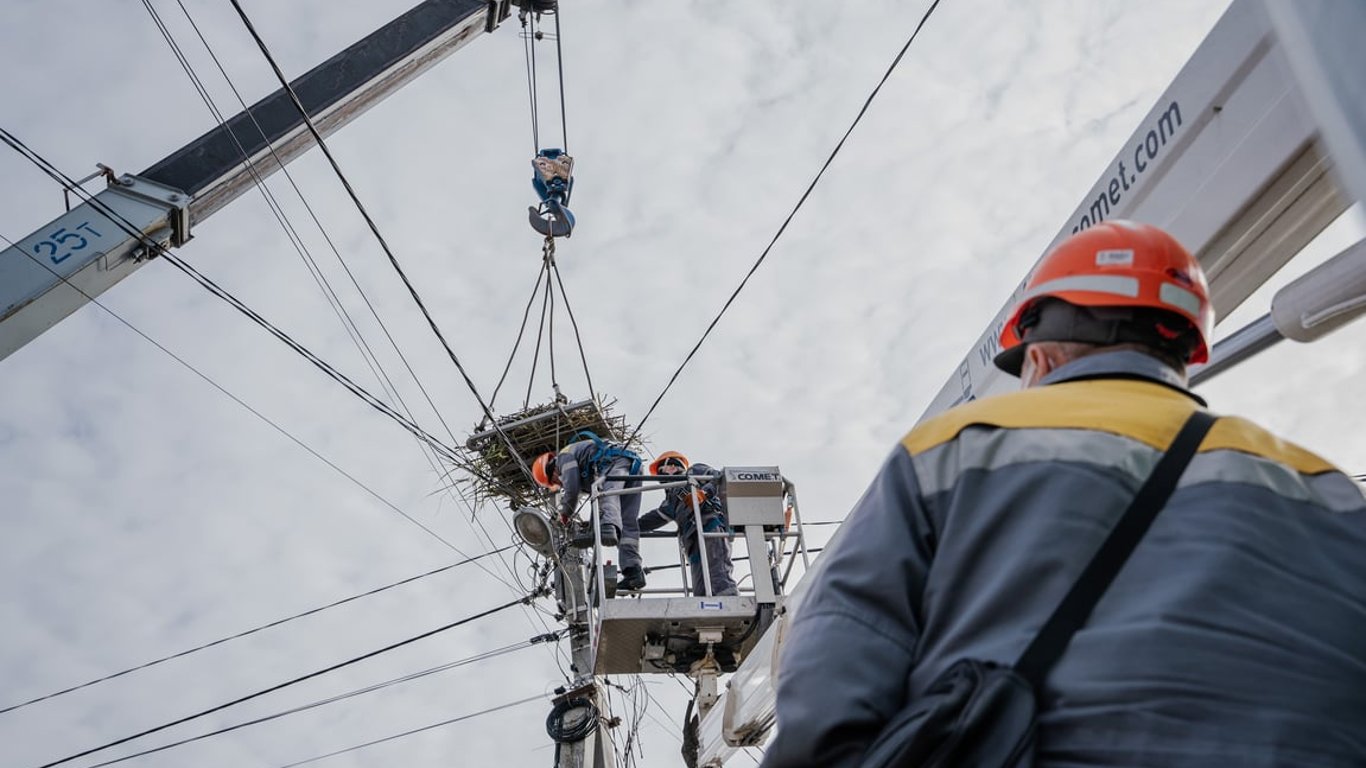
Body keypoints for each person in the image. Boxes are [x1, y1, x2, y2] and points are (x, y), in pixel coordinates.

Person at [763, 221, 1366, 767]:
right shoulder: (1326, 488)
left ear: (1042, 356)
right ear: (1181, 354)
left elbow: (833, 686)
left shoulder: (951, 450)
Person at [532, 432, 647, 590]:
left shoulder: (564, 458)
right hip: (634, 466)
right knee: (627, 522)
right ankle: (633, 572)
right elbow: (596, 504)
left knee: (607, 495)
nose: (559, 484)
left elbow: (572, 490)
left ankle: (607, 528)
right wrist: (591, 531)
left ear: (551, 470)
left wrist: (565, 513)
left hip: (614, 461)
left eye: (554, 481)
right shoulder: (584, 465)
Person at [638, 451, 738, 597]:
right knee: (701, 589)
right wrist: (624, 527)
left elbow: (719, 477)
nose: (660, 476)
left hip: (710, 527)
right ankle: (706, 615)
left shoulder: (695, 471)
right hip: (692, 542)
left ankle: (730, 602)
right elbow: (648, 521)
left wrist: (703, 493)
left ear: (672, 465)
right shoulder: (671, 502)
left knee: (719, 574)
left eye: (661, 470)